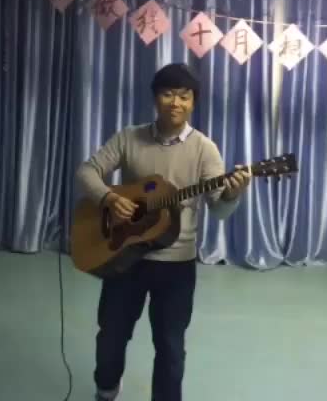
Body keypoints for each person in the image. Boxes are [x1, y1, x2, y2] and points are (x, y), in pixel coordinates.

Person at [76, 63, 252, 401]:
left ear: (193, 102)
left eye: (184, 96)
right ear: (155, 98)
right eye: (168, 94)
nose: (176, 103)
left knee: (171, 347)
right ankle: (107, 388)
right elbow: (87, 171)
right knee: (111, 335)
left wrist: (232, 194)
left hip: (176, 265)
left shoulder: (204, 149)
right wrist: (109, 199)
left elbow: (219, 209)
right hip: (124, 256)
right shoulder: (129, 137)